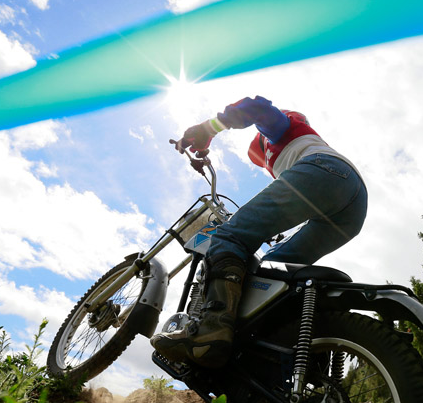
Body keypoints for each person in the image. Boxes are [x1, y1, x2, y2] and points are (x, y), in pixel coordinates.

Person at [150, 96, 368, 367]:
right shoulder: (298, 151)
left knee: (228, 237)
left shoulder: (285, 129)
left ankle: (212, 329)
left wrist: (209, 128)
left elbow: (259, 110)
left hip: (325, 173)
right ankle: (295, 348)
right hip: (352, 208)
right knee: (271, 272)